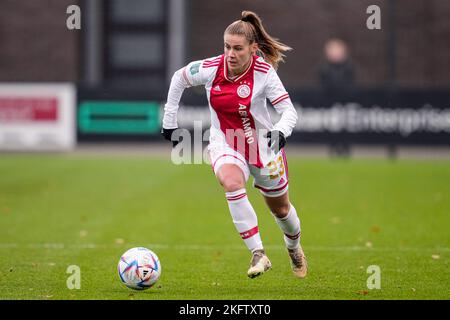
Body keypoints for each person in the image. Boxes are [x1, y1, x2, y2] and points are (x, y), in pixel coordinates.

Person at [161, 11, 307, 279]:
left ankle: (294, 248)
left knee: (281, 210)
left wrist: (281, 131)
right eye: (227, 46)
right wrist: (169, 121)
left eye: (237, 48)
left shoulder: (264, 74)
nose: (230, 53)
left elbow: (289, 111)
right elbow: (179, 77)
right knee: (231, 182)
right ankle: (258, 253)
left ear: (253, 49)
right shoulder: (210, 68)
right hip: (226, 142)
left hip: (264, 147)